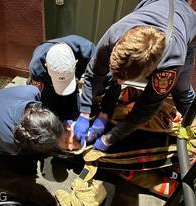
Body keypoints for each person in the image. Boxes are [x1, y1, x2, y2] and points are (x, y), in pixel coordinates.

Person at [73, 0, 196, 151]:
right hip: (153, 3)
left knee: (181, 90)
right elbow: (93, 75)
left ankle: (193, 127)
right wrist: (84, 112)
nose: (117, 81)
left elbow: (146, 108)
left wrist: (110, 138)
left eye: (123, 79)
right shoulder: (113, 35)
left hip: (187, 23)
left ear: (149, 72)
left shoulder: (170, 64)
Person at [0, 85, 81, 159]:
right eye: (65, 141)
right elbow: (8, 151)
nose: (69, 147)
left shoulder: (33, 91)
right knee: (16, 163)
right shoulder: (9, 141)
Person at [28, 35, 96, 120]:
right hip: (46, 80)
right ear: (46, 67)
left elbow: (101, 80)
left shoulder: (88, 51)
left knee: (73, 105)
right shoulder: (37, 68)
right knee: (51, 109)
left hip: (75, 71)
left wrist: (86, 111)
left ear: (75, 63)